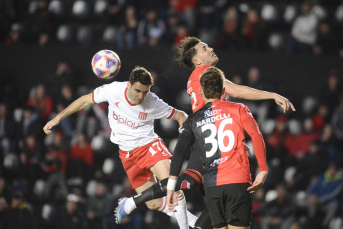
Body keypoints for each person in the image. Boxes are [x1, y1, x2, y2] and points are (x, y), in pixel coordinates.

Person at [115, 36, 294, 229]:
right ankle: (133, 202)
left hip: (207, 136)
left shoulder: (196, 77)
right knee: (192, 181)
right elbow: (236, 91)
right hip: (209, 141)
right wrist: (272, 95)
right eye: (204, 48)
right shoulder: (206, 72)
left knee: (215, 196)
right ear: (197, 60)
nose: (210, 49)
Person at [43, 66, 196, 229]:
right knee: (154, 204)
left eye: (145, 91)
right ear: (129, 85)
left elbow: (181, 115)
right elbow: (85, 100)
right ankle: (193, 221)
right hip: (127, 154)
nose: (141, 96)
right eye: (138, 90)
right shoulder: (114, 90)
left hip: (149, 146)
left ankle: (185, 226)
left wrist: (183, 125)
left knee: (171, 183)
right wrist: (57, 118)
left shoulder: (152, 101)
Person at [166, 66, 268, 229]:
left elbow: (179, 151)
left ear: (201, 92)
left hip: (213, 187)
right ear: (223, 90)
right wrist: (262, 170)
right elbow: (256, 135)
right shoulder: (239, 109)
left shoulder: (193, 119)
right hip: (238, 182)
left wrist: (171, 187)